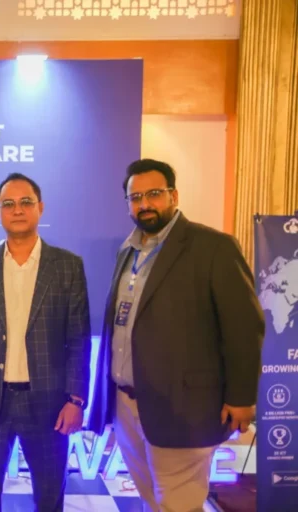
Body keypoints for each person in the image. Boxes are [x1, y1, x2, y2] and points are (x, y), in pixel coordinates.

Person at [88, 159, 265, 512]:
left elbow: (245, 326)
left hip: (183, 407)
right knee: (151, 499)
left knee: (178, 504)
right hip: (127, 405)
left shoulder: (213, 247)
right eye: (135, 197)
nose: (144, 204)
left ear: (174, 195)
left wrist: (242, 396)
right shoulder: (128, 251)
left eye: (154, 194)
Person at [0, 173, 91, 512]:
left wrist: (76, 399)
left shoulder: (67, 266)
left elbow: (78, 338)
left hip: (49, 403)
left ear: (40, 208)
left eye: (26, 202)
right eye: (9, 204)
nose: (17, 210)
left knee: (49, 495)